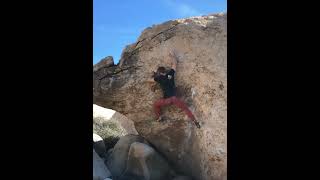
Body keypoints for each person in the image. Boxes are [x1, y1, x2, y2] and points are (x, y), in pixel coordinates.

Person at [147, 51, 201, 128]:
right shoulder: (170, 74)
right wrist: (173, 55)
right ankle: (195, 121)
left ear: (159, 73)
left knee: (155, 105)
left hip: (166, 101)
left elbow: (148, 80)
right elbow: (175, 64)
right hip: (174, 99)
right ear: (165, 71)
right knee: (185, 109)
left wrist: (154, 74)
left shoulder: (159, 78)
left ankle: (159, 117)